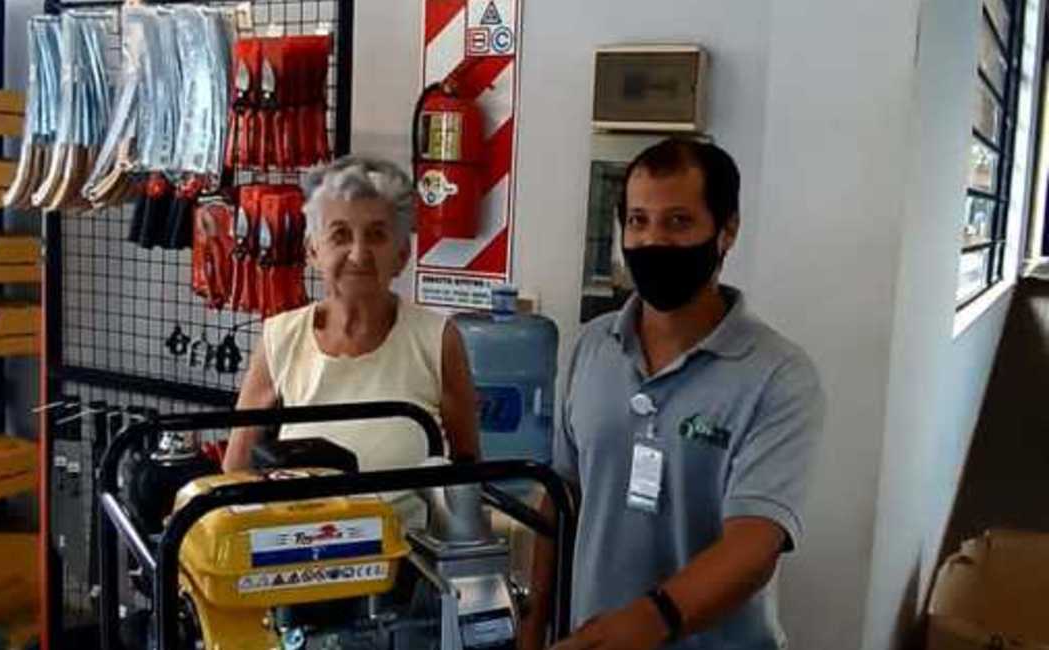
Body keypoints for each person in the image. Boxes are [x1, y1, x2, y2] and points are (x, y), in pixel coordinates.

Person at [524, 139, 824, 649]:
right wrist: (531, 626)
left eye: (678, 222)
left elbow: (755, 543)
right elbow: (558, 502)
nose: (653, 240)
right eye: (638, 222)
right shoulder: (589, 349)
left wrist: (649, 620)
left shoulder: (779, 376)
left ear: (726, 231)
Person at [223, 155, 480, 474]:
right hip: (299, 522)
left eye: (376, 235)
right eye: (340, 235)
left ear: (402, 255)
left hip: (407, 525)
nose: (359, 255)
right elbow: (235, 470)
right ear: (314, 252)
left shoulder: (437, 340)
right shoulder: (281, 338)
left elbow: (468, 471)